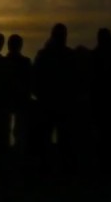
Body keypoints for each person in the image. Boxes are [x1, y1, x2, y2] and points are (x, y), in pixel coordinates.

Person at [34, 23, 78, 157]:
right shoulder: (70, 55)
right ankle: (64, 162)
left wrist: (40, 96)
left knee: (45, 137)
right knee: (65, 137)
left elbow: (35, 78)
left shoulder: (43, 55)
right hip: (65, 103)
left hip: (47, 102)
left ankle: (46, 163)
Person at [5, 34, 34, 153]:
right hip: (22, 99)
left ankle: (6, 149)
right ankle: (19, 149)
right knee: (20, 129)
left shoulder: (4, 63)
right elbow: (31, 81)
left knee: (5, 127)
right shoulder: (25, 62)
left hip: (6, 100)